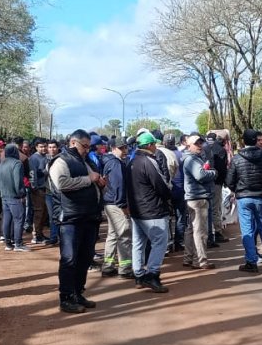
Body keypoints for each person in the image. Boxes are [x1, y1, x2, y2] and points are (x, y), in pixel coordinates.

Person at [49, 129, 105, 313]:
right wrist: (88, 179)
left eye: (89, 146)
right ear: (73, 143)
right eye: (84, 146)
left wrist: (98, 182)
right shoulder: (61, 161)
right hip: (70, 218)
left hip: (88, 216)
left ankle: (78, 292)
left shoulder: (85, 160)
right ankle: (66, 297)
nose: (87, 150)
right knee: (69, 259)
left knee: (85, 257)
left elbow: (91, 180)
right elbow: (62, 184)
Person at [226, 129, 262, 273]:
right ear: (256, 140)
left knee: (247, 230)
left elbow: (229, 180)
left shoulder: (237, 159)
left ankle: (251, 261)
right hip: (260, 197)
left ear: (243, 141)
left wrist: (237, 191)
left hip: (244, 198)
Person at [126, 131, 172, 292]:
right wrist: (168, 195)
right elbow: (161, 185)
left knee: (138, 243)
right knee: (160, 241)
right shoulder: (147, 161)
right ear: (150, 145)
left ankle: (139, 275)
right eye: (154, 144)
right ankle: (152, 274)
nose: (156, 147)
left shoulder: (132, 160)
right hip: (152, 209)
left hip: (137, 209)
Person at [182, 134, 217, 270]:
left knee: (191, 230)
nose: (200, 146)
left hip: (193, 197)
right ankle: (200, 261)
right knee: (200, 231)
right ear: (188, 145)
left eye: (200, 143)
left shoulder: (192, 158)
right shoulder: (191, 159)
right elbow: (200, 175)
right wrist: (214, 173)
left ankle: (189, 258)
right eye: (196, 144)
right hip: (198, 198)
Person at [101, 138, 134, 278]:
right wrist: (123, 205)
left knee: (113, 235)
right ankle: (125, 268)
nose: (125, 150)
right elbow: (118, 186)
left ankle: (108, 266)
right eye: (121, 148)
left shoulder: (110, 161)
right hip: (116, 204)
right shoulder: (115, 164)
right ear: (113, 148)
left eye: (125, 148)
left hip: (110, 203)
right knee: (124, 235)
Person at [0, 143, 30, 251]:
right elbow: (18, 181)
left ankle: (8, 244)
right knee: (19, 219)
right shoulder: (17, 163)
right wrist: (21, 194)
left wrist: (0, 190)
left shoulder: (2, 163)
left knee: (7, 219)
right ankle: (18, 244)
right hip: (15, 197)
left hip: (4, 196)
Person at [203, 131, 230, 243]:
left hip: (203, 182)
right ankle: (217, 232)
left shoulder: (204, 148)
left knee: (207, 208)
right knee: (215, 208)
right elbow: (223, 169)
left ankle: (208, 233)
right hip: (216, 182)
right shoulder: (221, 150)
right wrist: (226, 182)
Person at [28, 138, 50, 244]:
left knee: (44, 212)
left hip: (46, 188)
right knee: (39, 212)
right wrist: (34, 187)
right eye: (41, 146)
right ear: (36, 147)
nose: (44, 148)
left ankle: (40, 233)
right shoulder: (33, 158)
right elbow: (32, 174)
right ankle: (36, 235)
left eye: (45, 146)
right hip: (37, 189)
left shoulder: (46, 157)